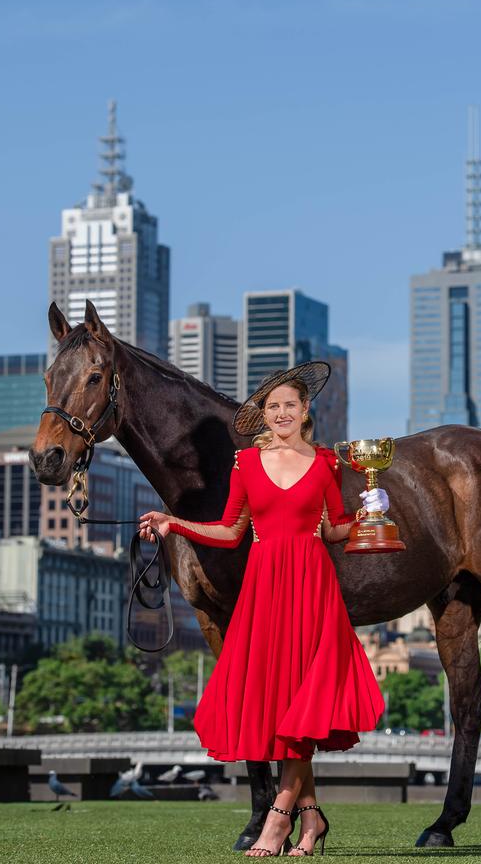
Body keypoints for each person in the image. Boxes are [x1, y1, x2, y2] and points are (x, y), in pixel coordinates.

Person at [139, 361, 388, 857]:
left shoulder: (326, 464)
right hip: (265, 589)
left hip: (313, 586)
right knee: (280, 706)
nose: (280, 413)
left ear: (304, 410)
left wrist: (370, 513)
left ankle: (280, 817)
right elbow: (231, 532)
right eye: (272, 407)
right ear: (263, 414)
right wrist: (174, 523)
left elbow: (334, 529)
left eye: (288, 406)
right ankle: (311, 818)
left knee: (305, 703)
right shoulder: (245, 465)